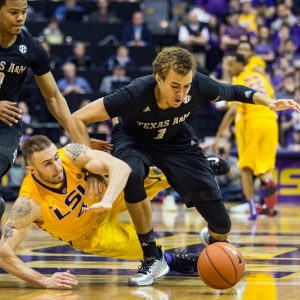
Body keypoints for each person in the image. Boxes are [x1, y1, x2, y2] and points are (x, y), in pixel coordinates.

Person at [68, 47, 300, 286]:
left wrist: (269, 101)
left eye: (186, 86)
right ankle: (152, 257)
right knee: (132, 174)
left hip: (176, 140)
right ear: (158, 79)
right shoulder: (135, 92)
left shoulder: (198, 85)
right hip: (133, 140)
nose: (181, 93)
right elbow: (77, 118)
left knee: (222, 225)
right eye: (175, 86)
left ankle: (211, 233)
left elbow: (235, 91)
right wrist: (91, 170)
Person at [0, 135, 199, 288]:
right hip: (88, 234)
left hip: (103, 199)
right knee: (146, 250)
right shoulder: (27, 204)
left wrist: (107, 198)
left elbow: (119, 166)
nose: (56, 166)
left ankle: (200, 169)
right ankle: (176, 261)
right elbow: (3, 254)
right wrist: (44, 281)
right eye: (47, 164)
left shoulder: (69, 154)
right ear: (32, 170)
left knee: (144, 176)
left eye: (55, 158)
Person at [0, 0, 73, 232]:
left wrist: (78, 135)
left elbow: (53, 97)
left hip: (5, 124)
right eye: (13, 12)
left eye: (23, 12)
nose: (20, 18)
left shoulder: (30, 47)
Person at [213, 53, 278, 219]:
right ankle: (268, 181)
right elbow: (273, 98)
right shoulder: (259, 76)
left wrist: (219, 135)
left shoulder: (239, 81)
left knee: (245, 167)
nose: (229, 68)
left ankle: (252, 208)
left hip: (253, 122)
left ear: (241, 64)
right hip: (271, 122)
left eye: (232, 64)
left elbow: (232, 111)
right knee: (265, 165)